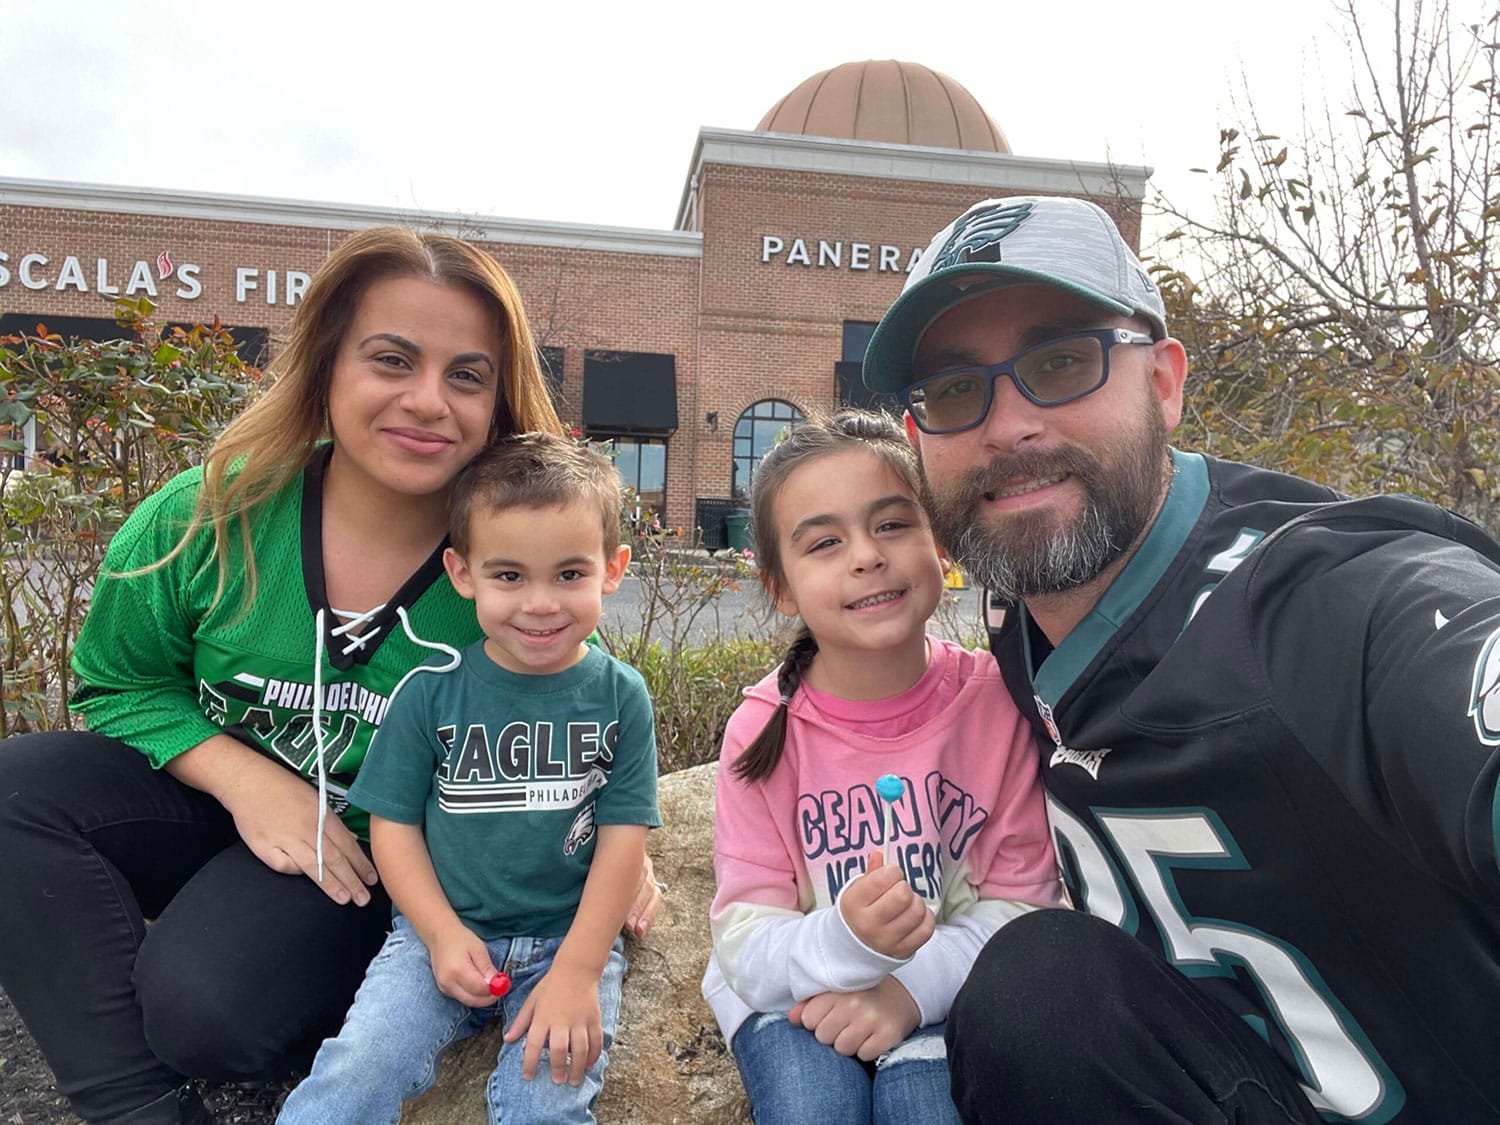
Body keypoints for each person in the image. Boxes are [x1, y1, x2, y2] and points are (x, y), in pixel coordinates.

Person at [860, 194, 1500, 1123]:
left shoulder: (1316, 595)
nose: (1008, 427)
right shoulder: (1020, 616)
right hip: (1238, 1079)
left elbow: (1435, 646)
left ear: (1163, 381)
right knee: (1039, 989)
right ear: (921, 442)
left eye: (1062, 361)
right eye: (956, 390)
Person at [0, 228, 661, 1125]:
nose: (428, 401)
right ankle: (141, 1110)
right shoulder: (209, 516)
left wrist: (610, 847)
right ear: (325, 364)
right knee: (17, 788)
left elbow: (579, 713)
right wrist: (248, 781)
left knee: (205, 1011)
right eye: (392, 359)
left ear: (500, 397)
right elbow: (118, 683)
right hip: (223, 803)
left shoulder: (510, 568)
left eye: (467, 374)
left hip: (374, 859)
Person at [278, 432, 660, 1124]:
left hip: (566, 940)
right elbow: (394, 826)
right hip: (438, 936)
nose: (540, 603)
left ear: (612, 568)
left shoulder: (621, 696)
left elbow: (622, 834)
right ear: (462, 572)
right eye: (509, 575)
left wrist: (578, 967)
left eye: (569, 574)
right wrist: (439, 930)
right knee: (360, 1066)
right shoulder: (429, 694)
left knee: (548, 1103)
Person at [701, 408, 1065, 1124]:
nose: (866, 555)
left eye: (893, 524)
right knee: (815, 1112)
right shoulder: (761, 729)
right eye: (825, 542)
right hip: (789, 993)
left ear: (941, 541)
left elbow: (1025, 907)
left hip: (944, 989)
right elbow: (746, 939)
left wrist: (906, 990)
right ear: (779, 585)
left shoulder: (996, 704)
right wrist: (848, 941)